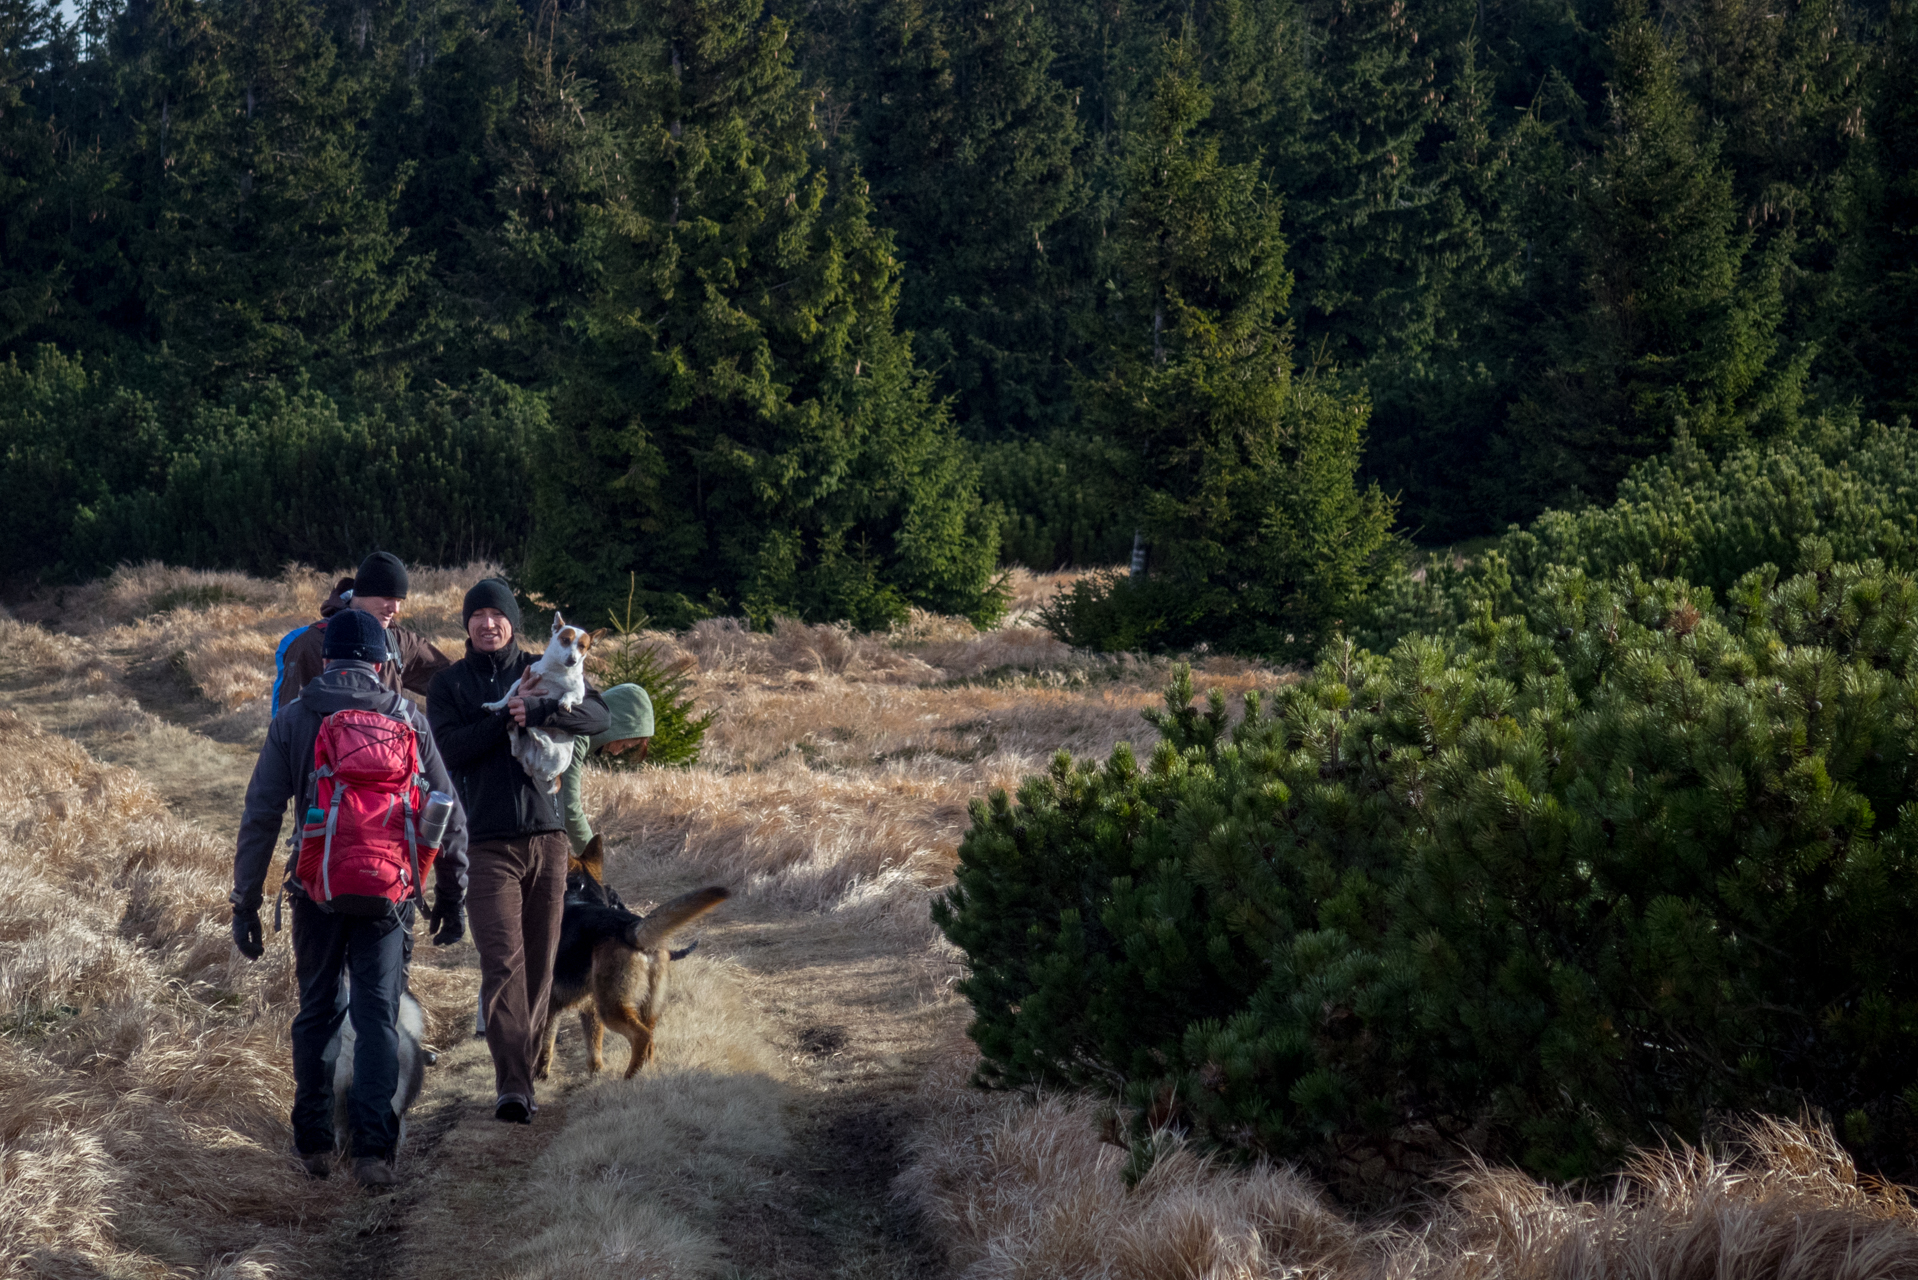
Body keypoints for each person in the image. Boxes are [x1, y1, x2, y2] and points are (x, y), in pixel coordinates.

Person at [230, 608, 469, 1189]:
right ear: (383, 660)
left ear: (326, 656)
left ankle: (313, 1145)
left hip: (317, 888)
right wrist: (452, 891)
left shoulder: (295, 717)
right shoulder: (408, 717)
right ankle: (373, 1154)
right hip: (390, 894)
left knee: (317, 1013)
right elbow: (448, 812)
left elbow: (261, 813)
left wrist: (245, 900)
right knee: (378, 1017)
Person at [428, 579, 609, 1124]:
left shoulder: (548, 664)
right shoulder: (449, 685)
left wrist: (544, 711)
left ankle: (523, 1074)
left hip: (548, 843)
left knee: (539, 962)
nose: (488, 624)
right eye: (478, 615)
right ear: (467, 625)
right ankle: (513, 1084)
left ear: (513, 623)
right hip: (485, 845)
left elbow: (599, 717)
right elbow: (449, 747)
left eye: (498, 615)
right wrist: (507, 716)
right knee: (502, 962)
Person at [275, 551, 452, 712]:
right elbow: (289, 725)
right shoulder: (311, 643)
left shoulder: (397, 640)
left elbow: (448, 680)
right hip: (324, 747)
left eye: (399, 600)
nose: (395, 609)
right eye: (388, 598)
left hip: (386, 746)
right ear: (363, 593)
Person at [561, 682, 654, 856]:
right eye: (624, 744)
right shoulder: (577, 734)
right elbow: (569, 806)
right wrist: (594, 859)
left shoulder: (578, 722)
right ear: (618, 725)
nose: (616, 752)